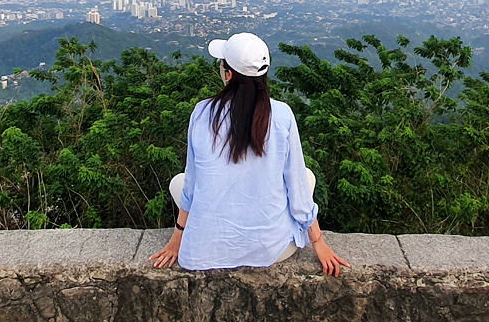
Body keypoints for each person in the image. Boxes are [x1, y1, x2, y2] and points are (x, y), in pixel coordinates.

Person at [149, 32, 350, 276]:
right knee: (305, 176)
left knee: (178, 182)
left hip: (208, 249)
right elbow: (297, 190)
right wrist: (318, 242)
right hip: (272, 249)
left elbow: (191, 187)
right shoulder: (282, 115)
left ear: (229, 74)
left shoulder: (202, 113)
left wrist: (178, 238)